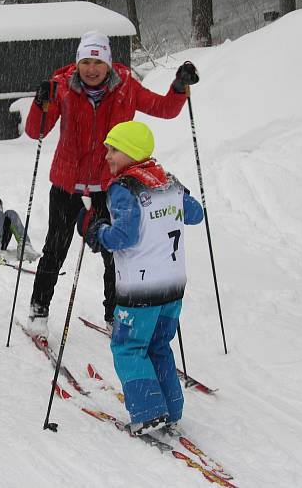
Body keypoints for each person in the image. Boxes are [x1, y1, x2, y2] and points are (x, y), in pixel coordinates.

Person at [25, 30, 199, 337]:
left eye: (98, 62)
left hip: (109, 185)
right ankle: (39, 308)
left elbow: (165, 109)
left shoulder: (126, 88)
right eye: (86, 62)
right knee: (55, 248)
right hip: (68, 185)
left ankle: (113, 312)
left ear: (108, 63)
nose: (91, 69)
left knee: (114, 252)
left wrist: (179, 87)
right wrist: (42, 103)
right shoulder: (62, 88)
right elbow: (35, 132)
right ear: (78, 63)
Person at [77, 121, 203, 435]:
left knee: (129, 347)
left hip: (140, 289)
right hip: (172, 287)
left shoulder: (124, 187)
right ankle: (171, 409)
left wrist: (95, 231)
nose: (107, 155)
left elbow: (124, 236)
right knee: (159, 345)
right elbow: (196, 213)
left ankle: (147, 412)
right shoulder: (168, 180)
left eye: (113, 149)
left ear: (131, 152)